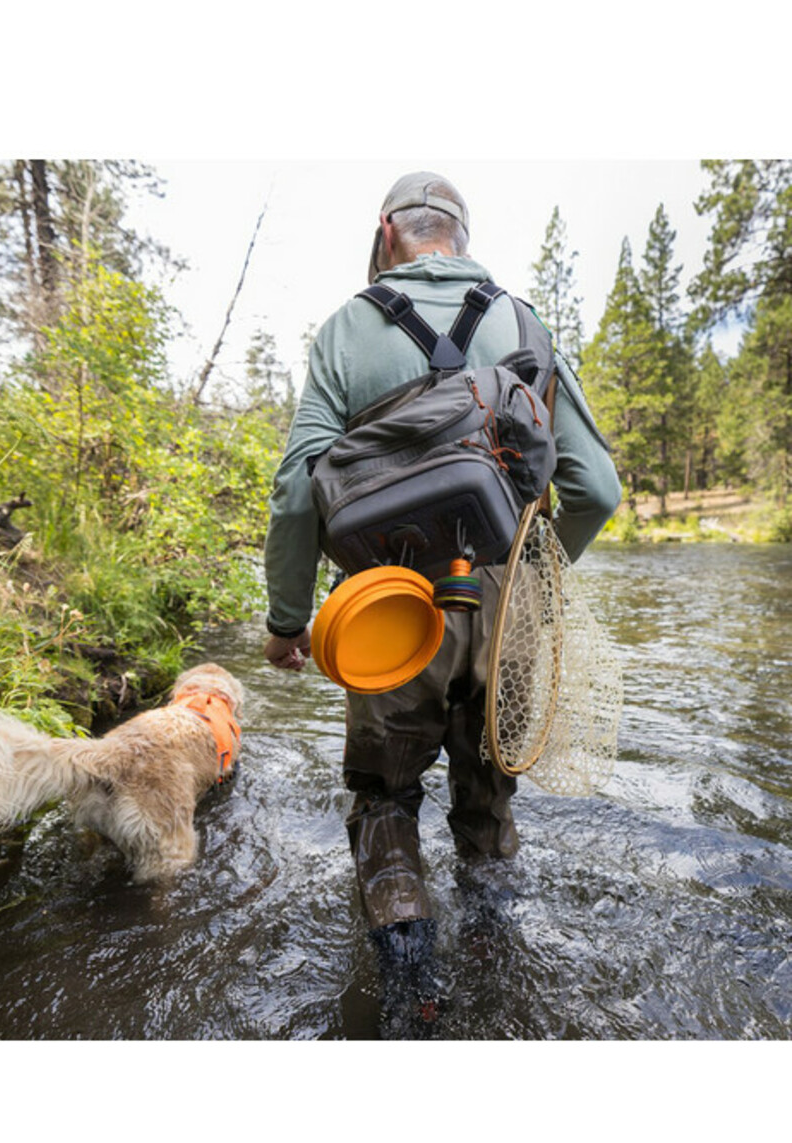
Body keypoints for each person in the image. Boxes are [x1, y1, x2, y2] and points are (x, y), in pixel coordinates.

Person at [262, 171, 622, 986]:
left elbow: (295, 491)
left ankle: (409, 983)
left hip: (387, 602)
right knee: (487, 795)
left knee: (385, 796)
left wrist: (288, 620)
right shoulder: (524, 322)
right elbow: (595, 489)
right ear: (459, 234)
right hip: (502, 601)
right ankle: (494, 959)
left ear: (387, 230)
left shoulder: (347, 329)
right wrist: (529, 576)